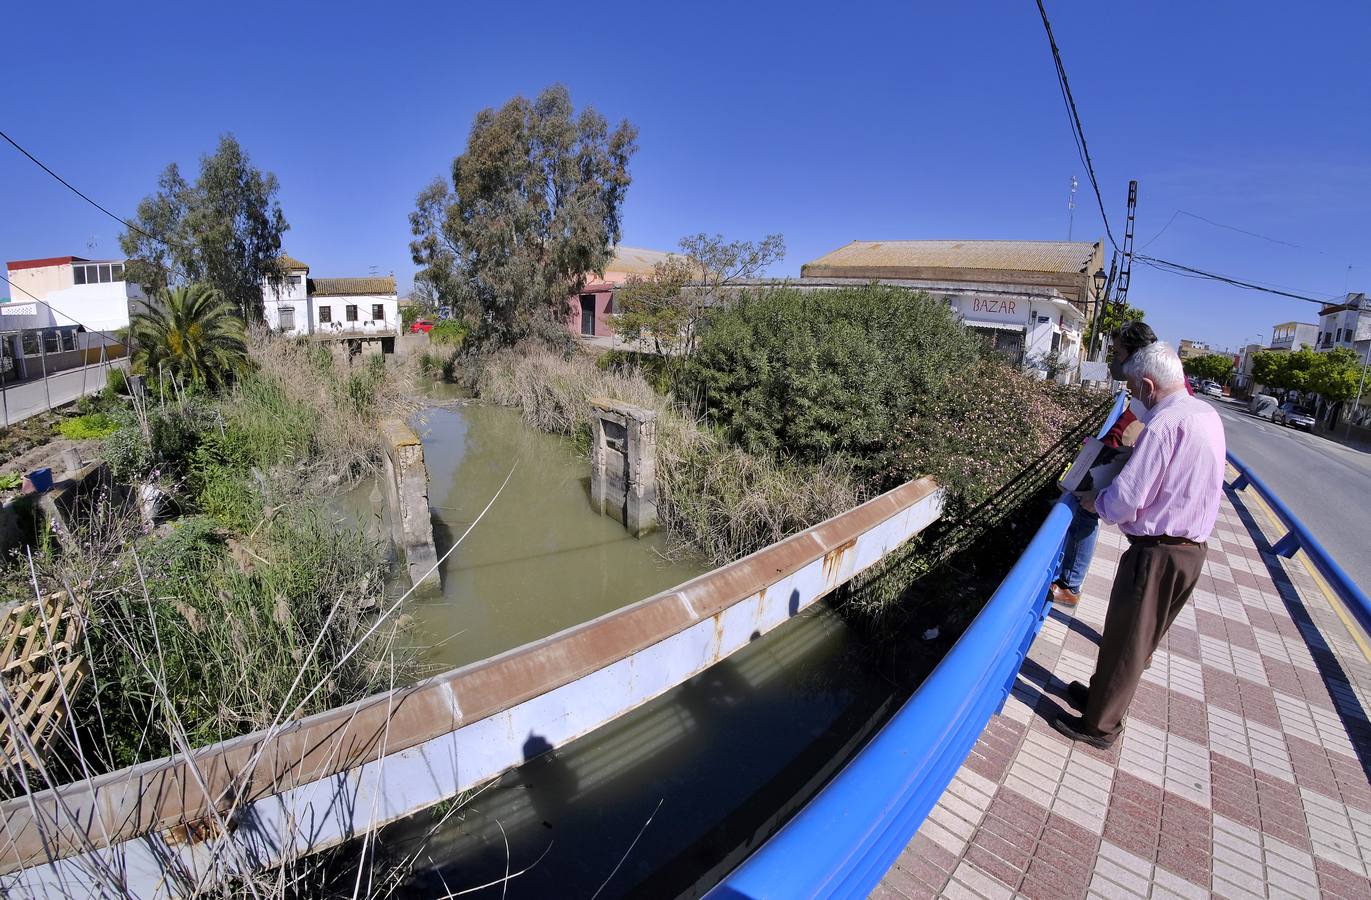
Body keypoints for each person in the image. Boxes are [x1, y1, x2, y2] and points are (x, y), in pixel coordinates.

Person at [1052, 341, 1225, 748]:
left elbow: (1128, 497)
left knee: (1127, 639)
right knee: (1135, 636)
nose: (1133, 396)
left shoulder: (1165, 424)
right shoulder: (1205, 413)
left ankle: (1099, 726)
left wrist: (1098, 501)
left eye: (1133, 388)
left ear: (1148, 384)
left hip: (1158, 553)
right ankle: (1098, 698)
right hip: (1189, 552)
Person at [1048, 321, 1157, 607]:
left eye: (1119, 353)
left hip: (1129, 463)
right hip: (1123, 453)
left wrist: (1096, 463)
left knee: (1086, 505)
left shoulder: (1149, 381)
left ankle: (1070, 583)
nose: (1116, 360)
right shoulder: (1153, 376)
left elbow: (1132, 431)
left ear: (1135, 354)